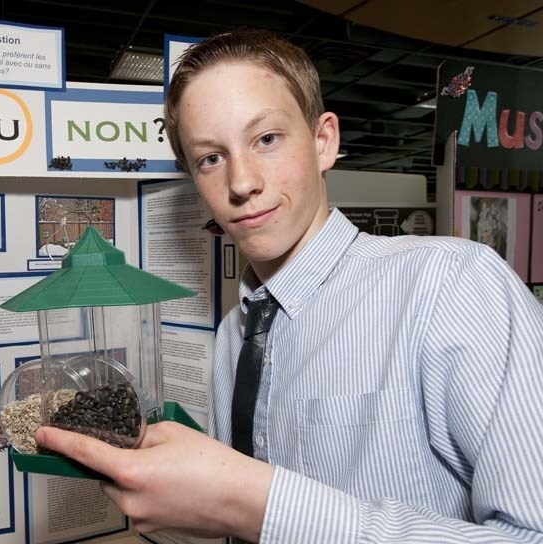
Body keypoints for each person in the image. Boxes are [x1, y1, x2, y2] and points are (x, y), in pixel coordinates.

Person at [35, 28, 543, 542]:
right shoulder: (237, 333)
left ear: (324, 141)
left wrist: (256, 505)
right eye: (211, 158)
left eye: (267, 139)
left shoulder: (451, 286)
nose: (241, 183)